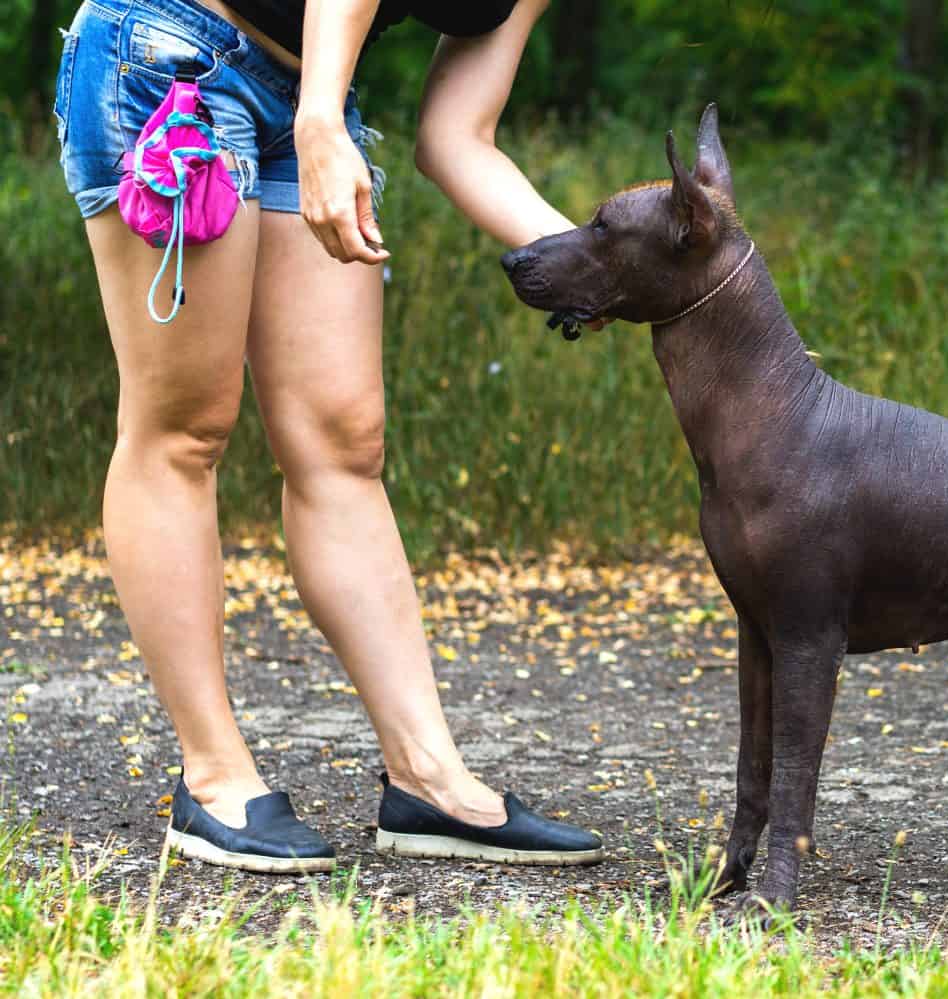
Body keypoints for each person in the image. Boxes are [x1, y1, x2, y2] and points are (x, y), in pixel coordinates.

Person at [53, 0, 602, 871]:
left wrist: (607, 270)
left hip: (307, 92)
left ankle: (427, 776)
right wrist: (319, 119)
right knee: (183, 426)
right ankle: (215, 775)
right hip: (168, 51)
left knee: (344, 440)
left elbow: (458, 138)